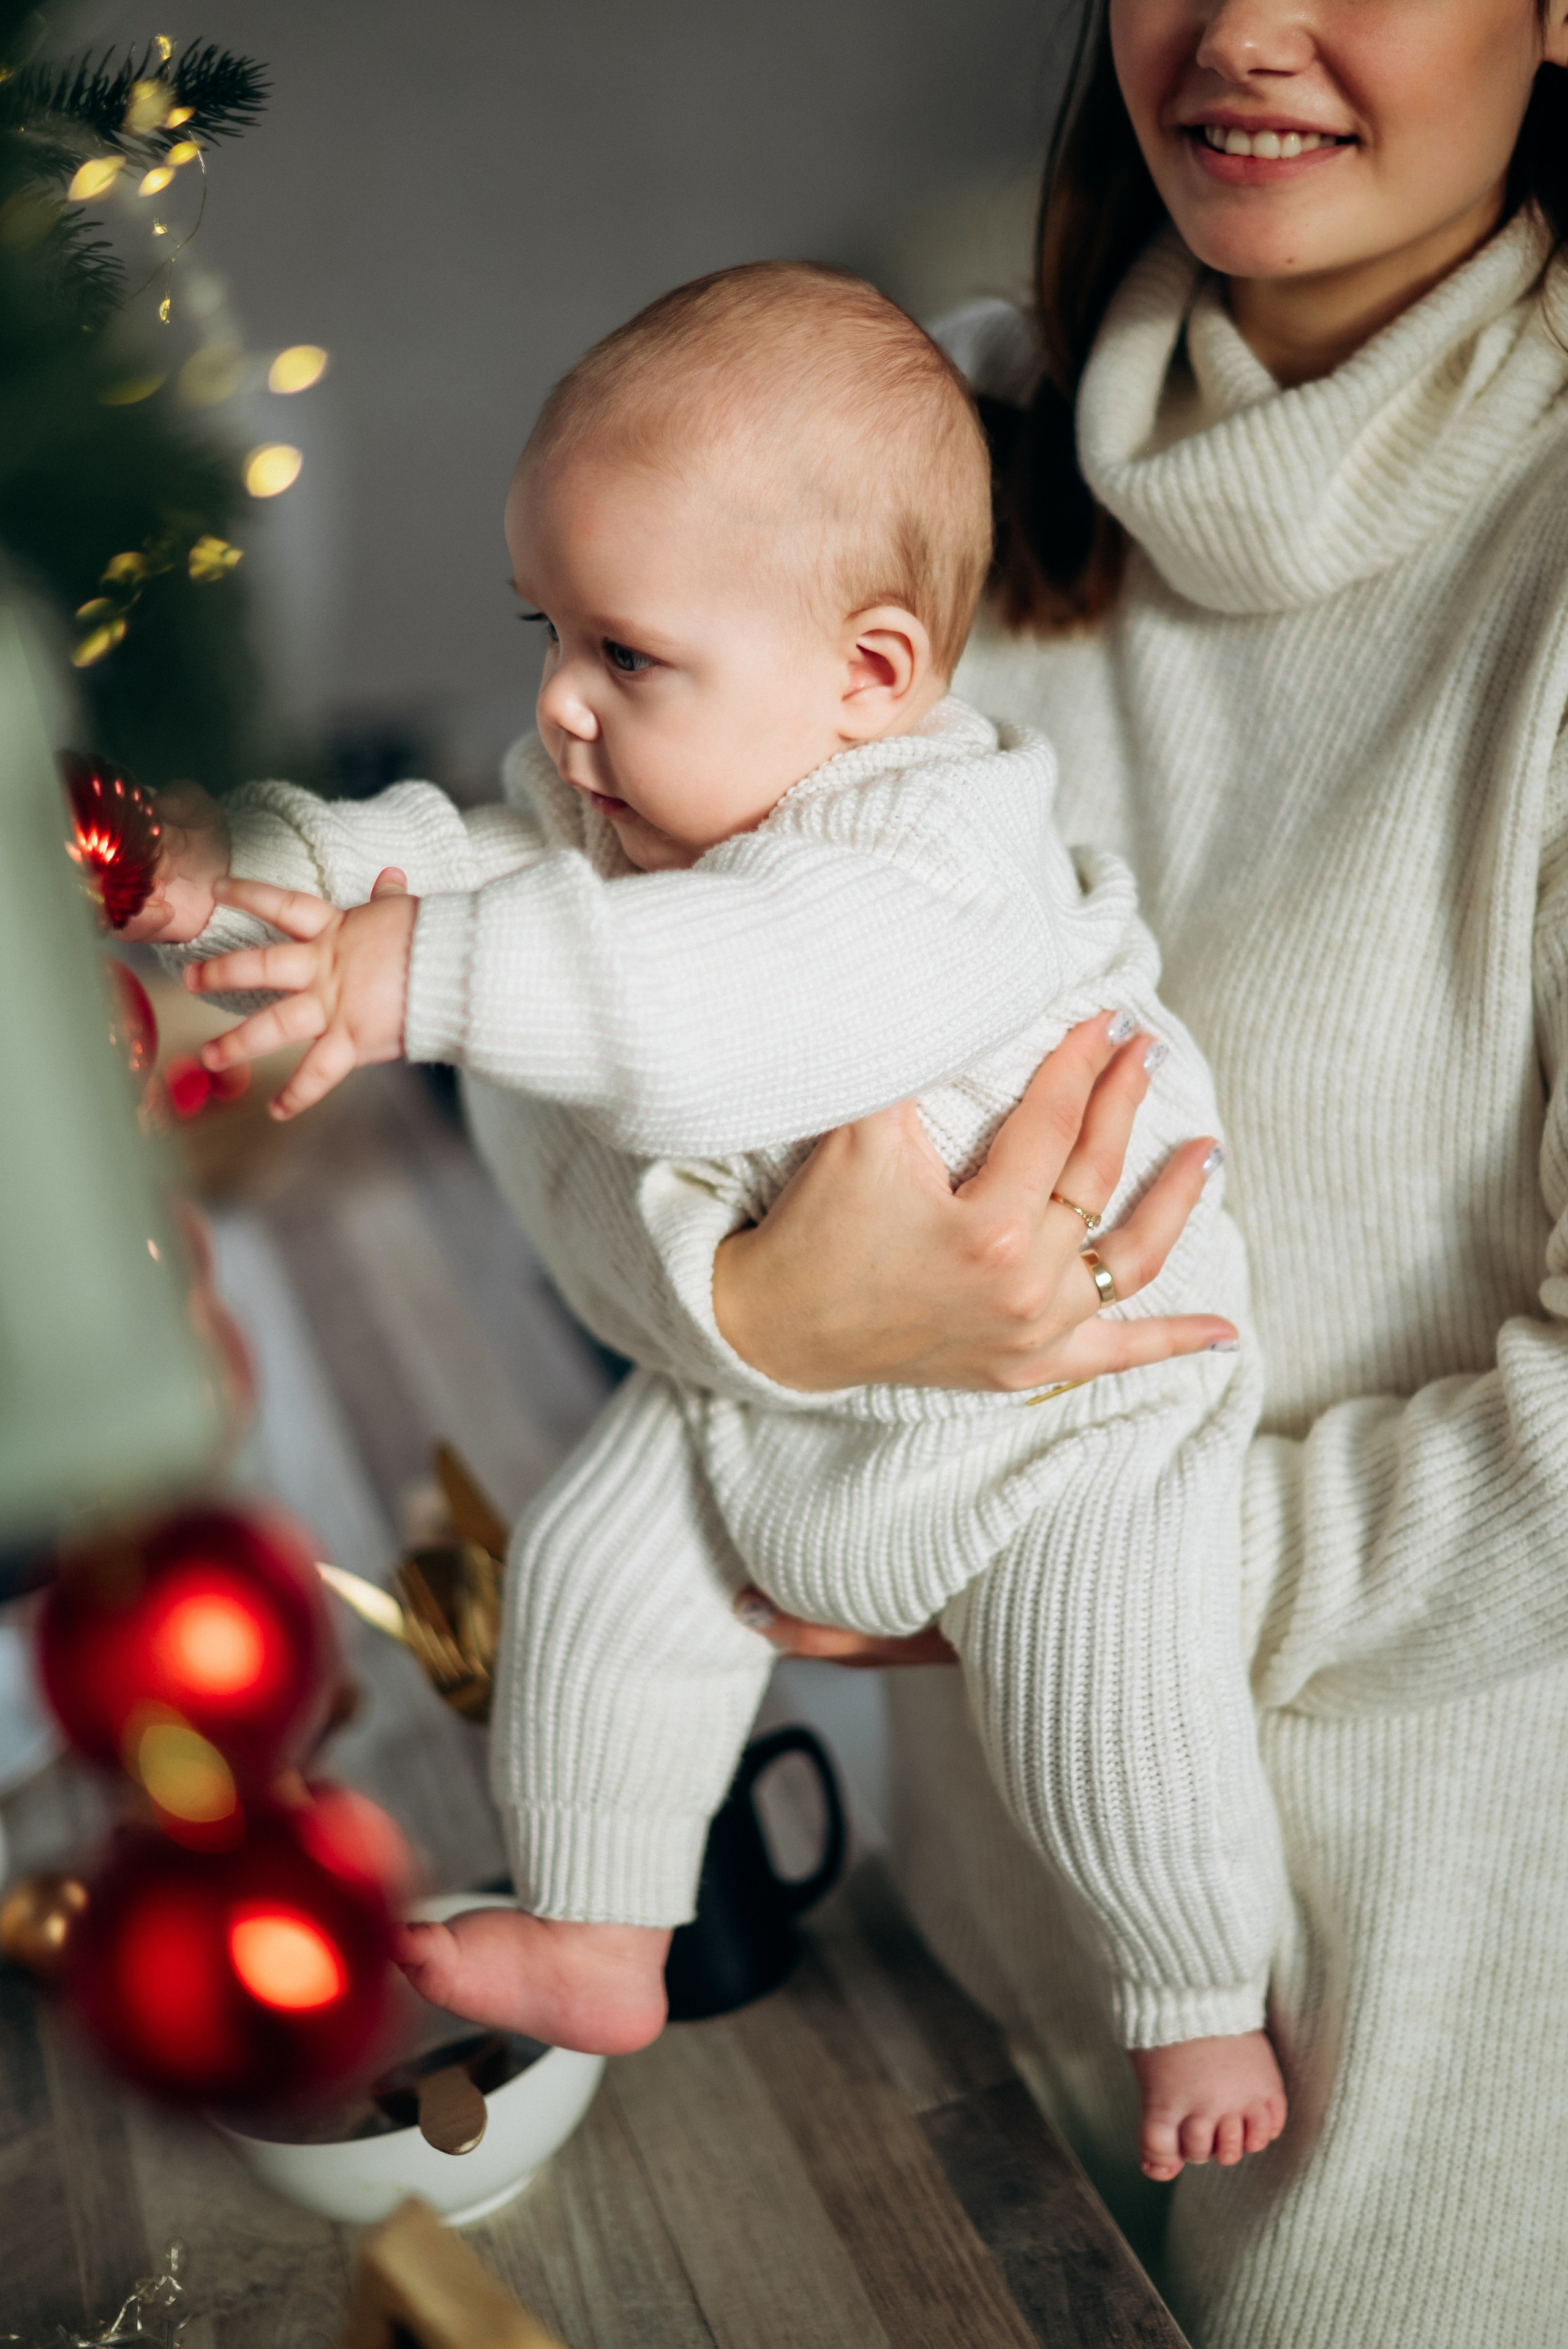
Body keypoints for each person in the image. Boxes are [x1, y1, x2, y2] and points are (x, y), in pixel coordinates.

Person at [141, 258, 1286, 2181]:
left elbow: (703, 1013)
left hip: (1077, 1420)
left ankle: (1194, 1997)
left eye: (626, 656)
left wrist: (415, 983)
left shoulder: (929, 862)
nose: (559, 709)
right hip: (781, 1387)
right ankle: (602, 1930)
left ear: (873, 675)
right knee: (598, 1571)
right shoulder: (648, 795)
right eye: (546, 631)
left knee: (1114, 1700)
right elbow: (456, 844)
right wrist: (265, 877)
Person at [668, 3, 1568, 2343]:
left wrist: (1053, 1564)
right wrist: (764, 1311)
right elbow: (547, 1010)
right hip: (972, 1969)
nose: (1245, 27)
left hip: (1456, 2084)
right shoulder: (914, 449)